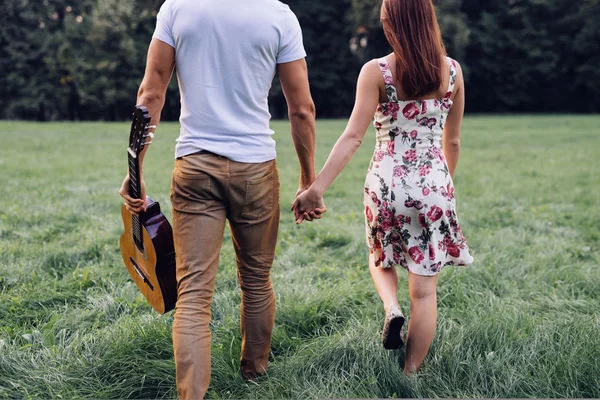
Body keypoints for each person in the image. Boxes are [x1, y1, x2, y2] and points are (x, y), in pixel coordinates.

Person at [119, 0, 321, 398]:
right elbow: (302, 109)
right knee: (257, 280)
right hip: (255, 169)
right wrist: (308, 179)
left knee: (193, 292)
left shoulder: (177, 8)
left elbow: (150, 93)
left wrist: (134, 169)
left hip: (195, 167)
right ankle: (255, 375)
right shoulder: (278, 15)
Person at [292, 0, 474, 374]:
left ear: (391, 24)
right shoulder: (453, 72)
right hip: (434, 186)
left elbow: (352, 137)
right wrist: (442, 187)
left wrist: (316, 188)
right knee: (425, 292)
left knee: (380, 255)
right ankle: (409, 374)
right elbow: (452, 142)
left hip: (386, 185)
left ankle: (391, 308)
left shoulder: (376, 72)